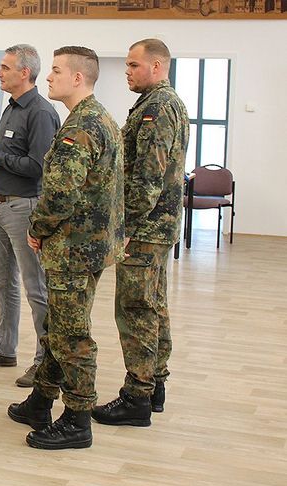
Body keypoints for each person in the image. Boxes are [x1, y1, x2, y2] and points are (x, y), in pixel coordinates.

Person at [6, 46, 124, 450]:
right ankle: (41, 400)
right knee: (60, 327)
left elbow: (60, 193)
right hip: (89, 246)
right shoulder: (100, 117)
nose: (50, 77)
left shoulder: (80, 127)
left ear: (78, 78)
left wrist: (37, 228)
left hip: (73, 248)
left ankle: (77, 418)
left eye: (56, 71)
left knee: (72, 335)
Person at [92, 39, 190, 426]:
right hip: (157, 224)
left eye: (134, 65)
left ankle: (137, 396)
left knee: (135, 309)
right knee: (152, 304)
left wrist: (126, 226)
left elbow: (148, 175)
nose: (128, 71)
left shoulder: (158, 107)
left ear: (158, 65)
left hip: (146, 226)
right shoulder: (161, 103)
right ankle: (155, 384)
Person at [0, 45, 60, 385]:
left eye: (5, 67)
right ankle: (5, 349)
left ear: (24, 72)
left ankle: (45, 362)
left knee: (36, 287)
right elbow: (6, 155)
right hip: (0, 204)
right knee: (3, 282)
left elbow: (38, 167)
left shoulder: (41, 113)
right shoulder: (9, 108)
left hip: (25, 207)